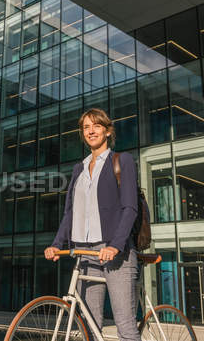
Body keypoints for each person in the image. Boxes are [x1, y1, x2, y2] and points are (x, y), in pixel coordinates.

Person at [44, 108, 140, 341]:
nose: (90, 131)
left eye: (96, 125)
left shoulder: (122, 161)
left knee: (126, 329)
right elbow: (70, 213)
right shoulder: (79, 168)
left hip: (115, 252)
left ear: (107, 131)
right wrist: (57, 243)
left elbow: (130, 208)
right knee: (91, 328)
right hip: (84, 253)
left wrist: (115, 246)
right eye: (86, 127)